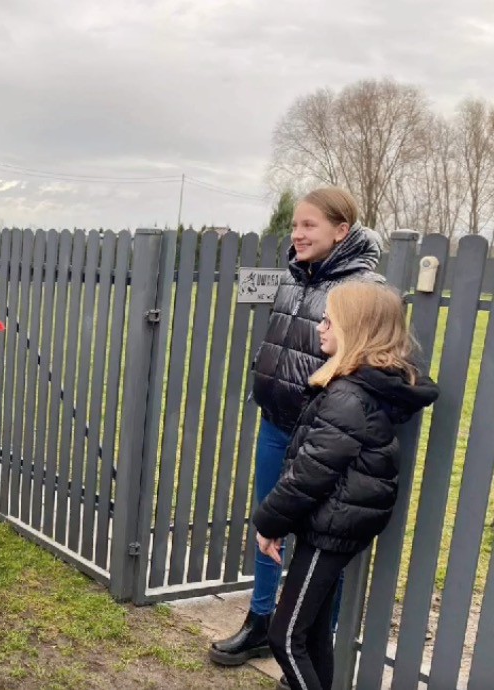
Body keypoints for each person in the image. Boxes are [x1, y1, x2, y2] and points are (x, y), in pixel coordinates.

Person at [210, 187, 385, 667]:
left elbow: (364, 364)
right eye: (295, 225)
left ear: (340, 230)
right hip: (276, 426)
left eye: (309, 225)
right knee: (269, 523)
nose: (298, 234)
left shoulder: (364, 289)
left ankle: (311, 644)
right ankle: (261, 621)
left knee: (322, 537)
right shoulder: (291, 278)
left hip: (325, 437)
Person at [253, 282, 438, 690]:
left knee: (284, 637)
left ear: (355, 329)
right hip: (331, 522)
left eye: (329, 320)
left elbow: (311, 472)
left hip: (331, 528)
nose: (320, 327)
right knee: (314, 634)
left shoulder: (348, 395)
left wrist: (269, 522)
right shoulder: (357, 386)